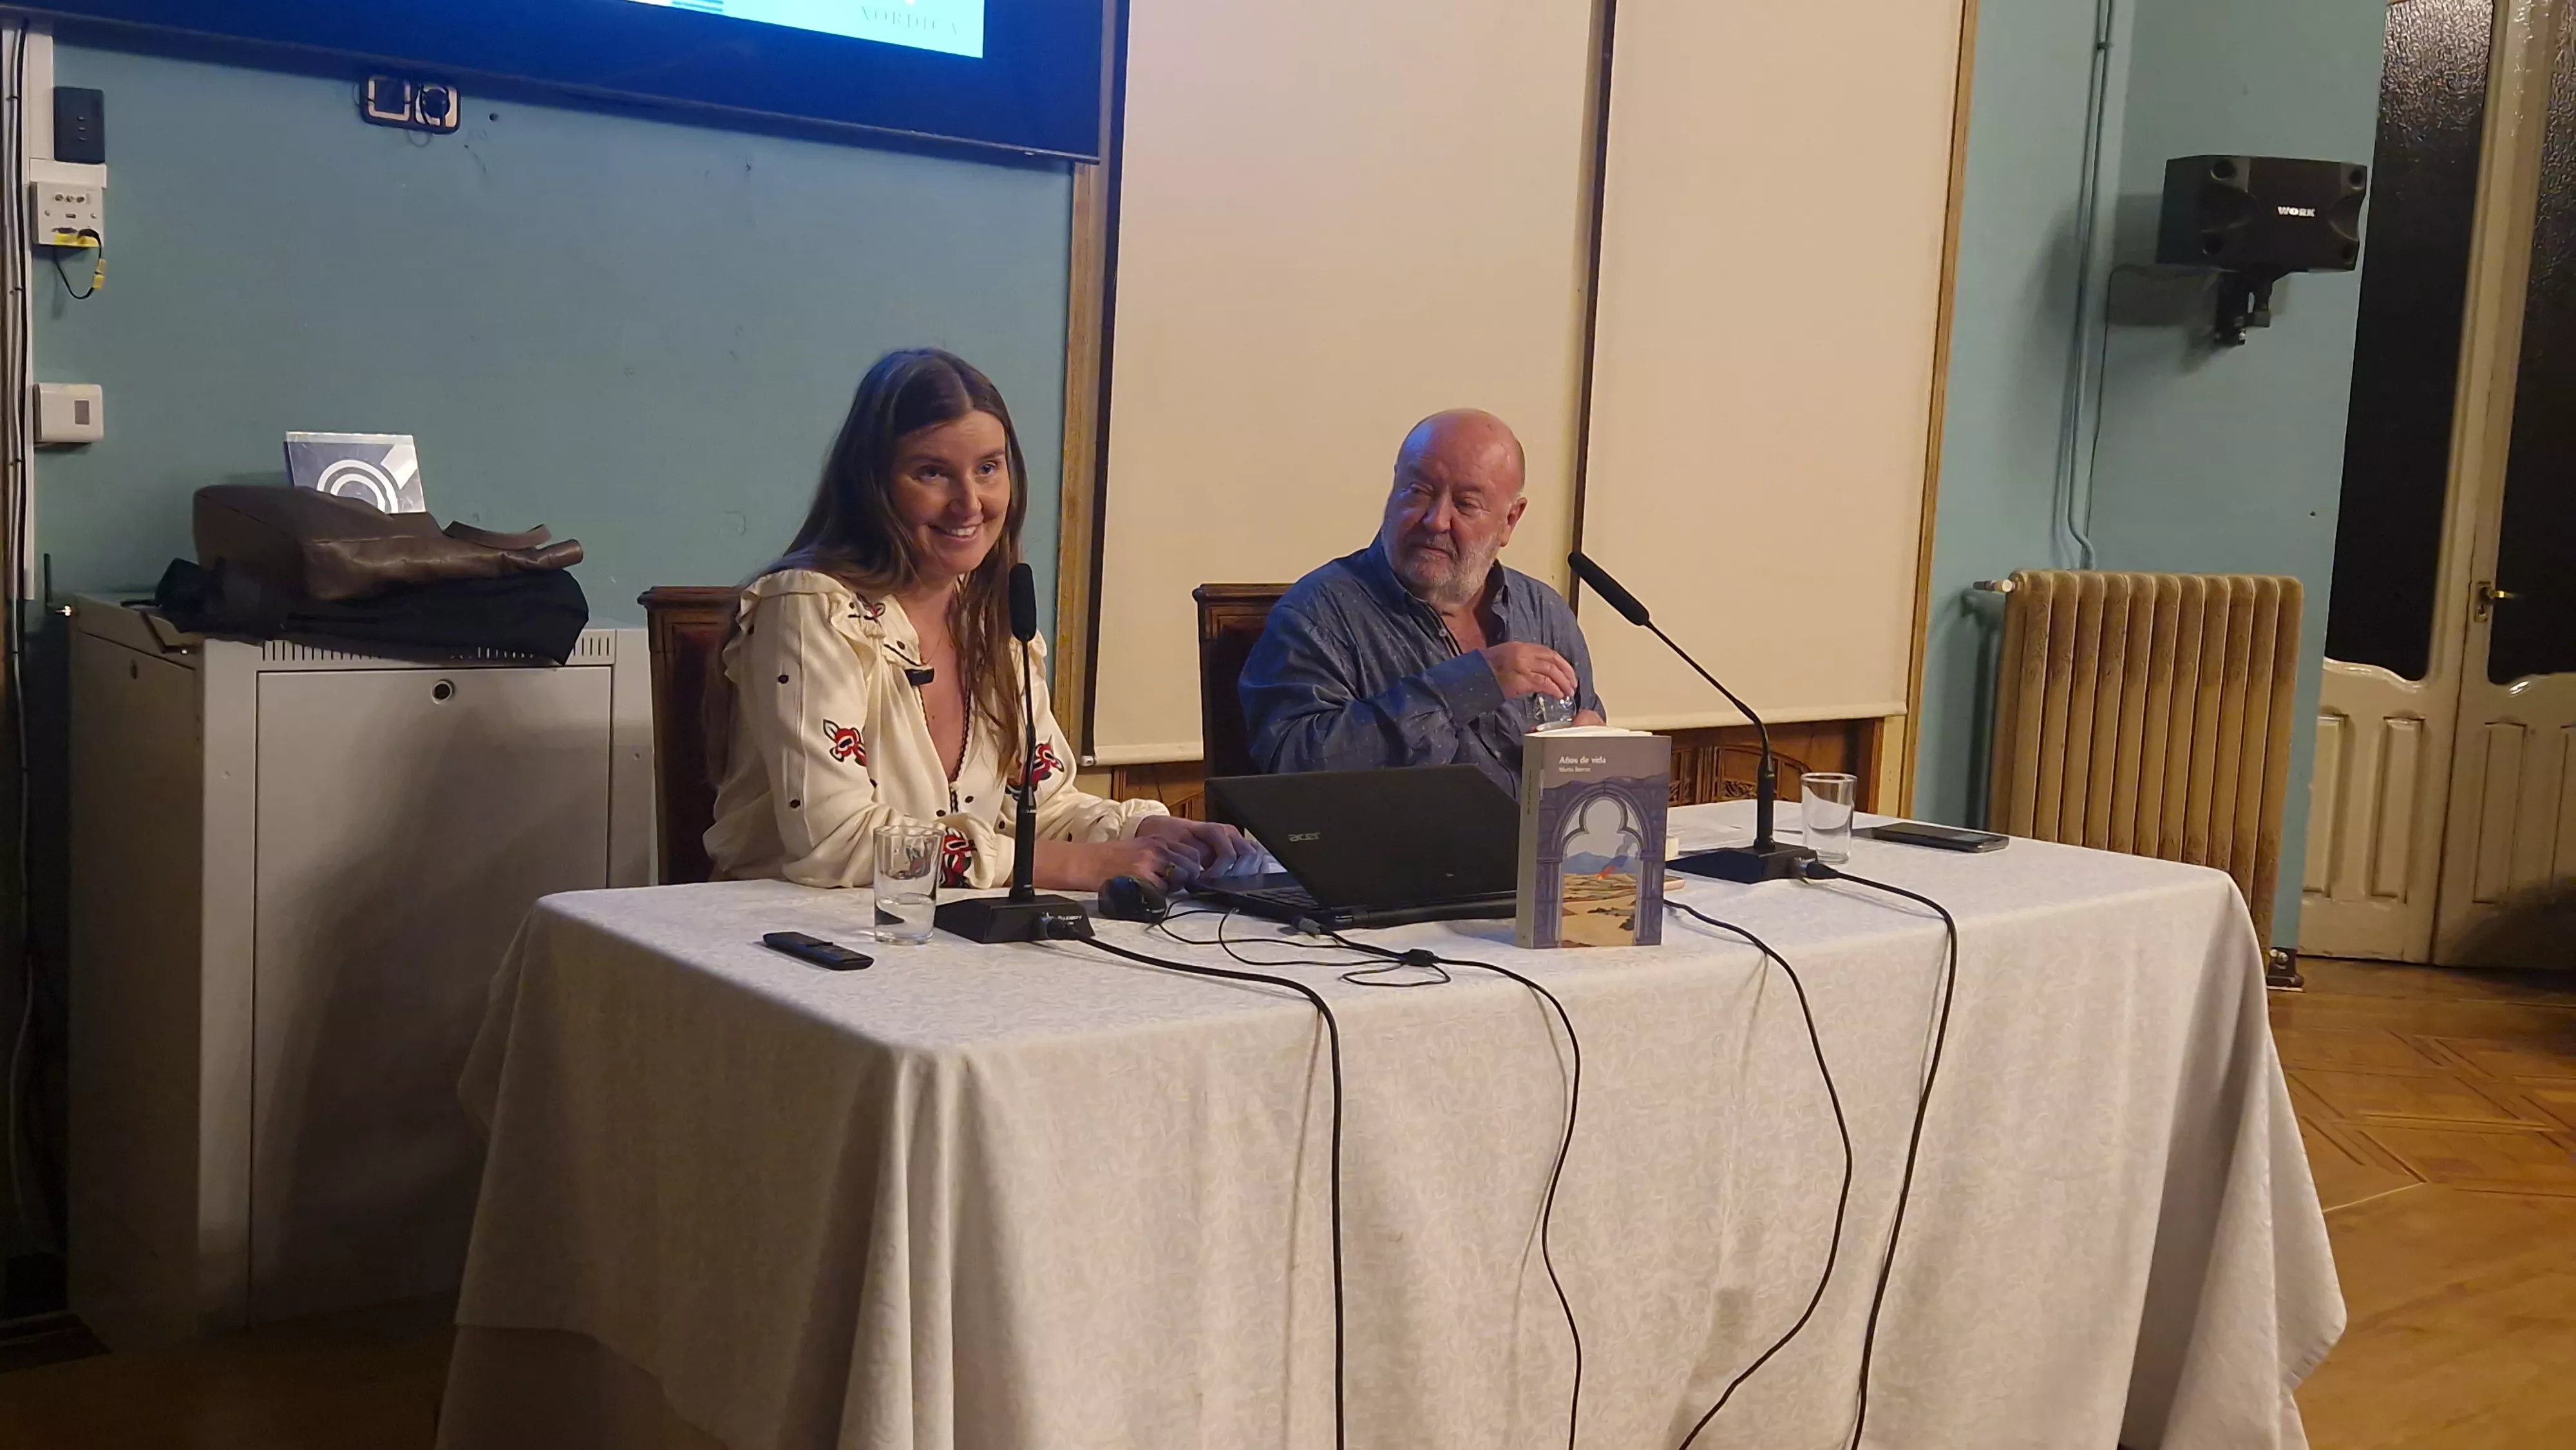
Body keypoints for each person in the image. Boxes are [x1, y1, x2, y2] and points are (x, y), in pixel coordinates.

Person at [706, 348, 1251, 891]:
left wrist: (1148, 830)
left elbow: (1045, 805)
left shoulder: (990, 613)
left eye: (988, 468)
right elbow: (836, 842)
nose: (970, 504)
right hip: (785, 942)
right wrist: (1076, 866)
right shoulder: (808, 607)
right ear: (872, 484)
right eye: (933, 473)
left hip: (934, 937)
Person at [1238, 408, 1604, 793]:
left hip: (1538, 850)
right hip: (1392, 851)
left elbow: (1588, 721)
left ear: (1510, 520)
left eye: (1465, 503)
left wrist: (1594, 745)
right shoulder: (1317, 614)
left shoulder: (1544, 612)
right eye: (1418, 492)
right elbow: (1293, 766)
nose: (1436, 520)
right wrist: (1469, 685)